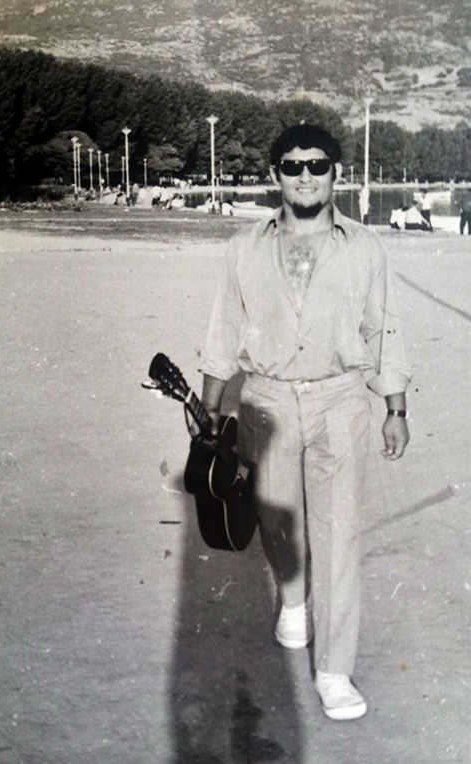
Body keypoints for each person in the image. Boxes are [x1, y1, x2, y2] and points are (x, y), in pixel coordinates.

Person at [199, 123, 412, 722]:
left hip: (339, 399)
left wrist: (395, 408)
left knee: (339, 535)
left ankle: (335, 670)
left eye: (318, 165)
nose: (305, 176)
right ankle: (293, 599)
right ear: (276, 176)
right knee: (275, 519)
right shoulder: (243, 247)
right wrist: (210, 409)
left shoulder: (366, 246)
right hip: (264, 400)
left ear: (336, 173)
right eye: (292, 166)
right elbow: (223, 331)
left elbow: (383, 328)